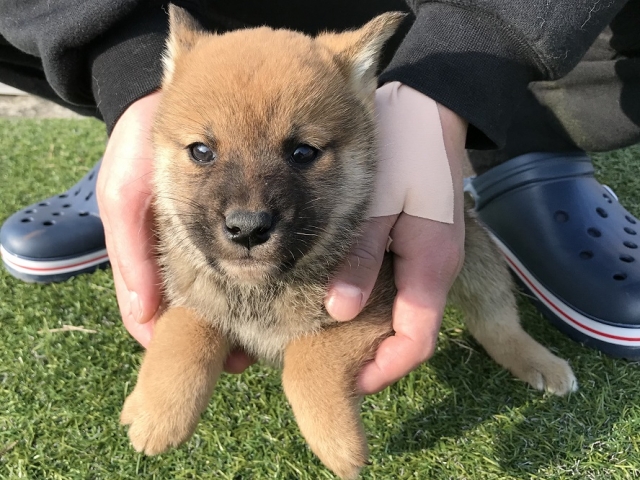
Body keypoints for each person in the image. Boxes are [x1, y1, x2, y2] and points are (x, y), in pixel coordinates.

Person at [0, 0, 636, 395]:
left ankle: (524, 157)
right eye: (199, 153)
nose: (247, 210)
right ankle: (146, 155)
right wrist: (126, 74)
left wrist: (470, 63)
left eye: (302, 154)